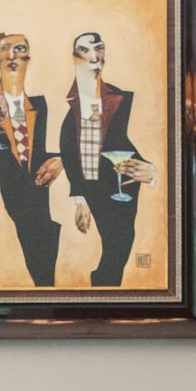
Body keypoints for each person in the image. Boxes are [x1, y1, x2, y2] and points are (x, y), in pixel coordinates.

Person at [56, 31, 156, 288]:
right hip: (92, 187)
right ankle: (103, 288)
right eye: (85, 50)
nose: (94, 56)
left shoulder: (120, 99)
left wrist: (152, 172)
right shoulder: (69, 106)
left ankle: (104, 290)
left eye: (99, 48)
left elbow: (125, 141)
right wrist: (81, 197)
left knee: (122, 242)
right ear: (74, 58)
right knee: (116, 245)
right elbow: (69, 151)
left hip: (121, 186)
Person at [0, 32, 63, 286]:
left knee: (44, 274)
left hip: (39, 209)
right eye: (5, 49)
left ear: (28, 58)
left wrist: (61, 160)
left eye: (19, 49)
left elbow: (57, 147)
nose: (12, 55)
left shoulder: (42, 106)